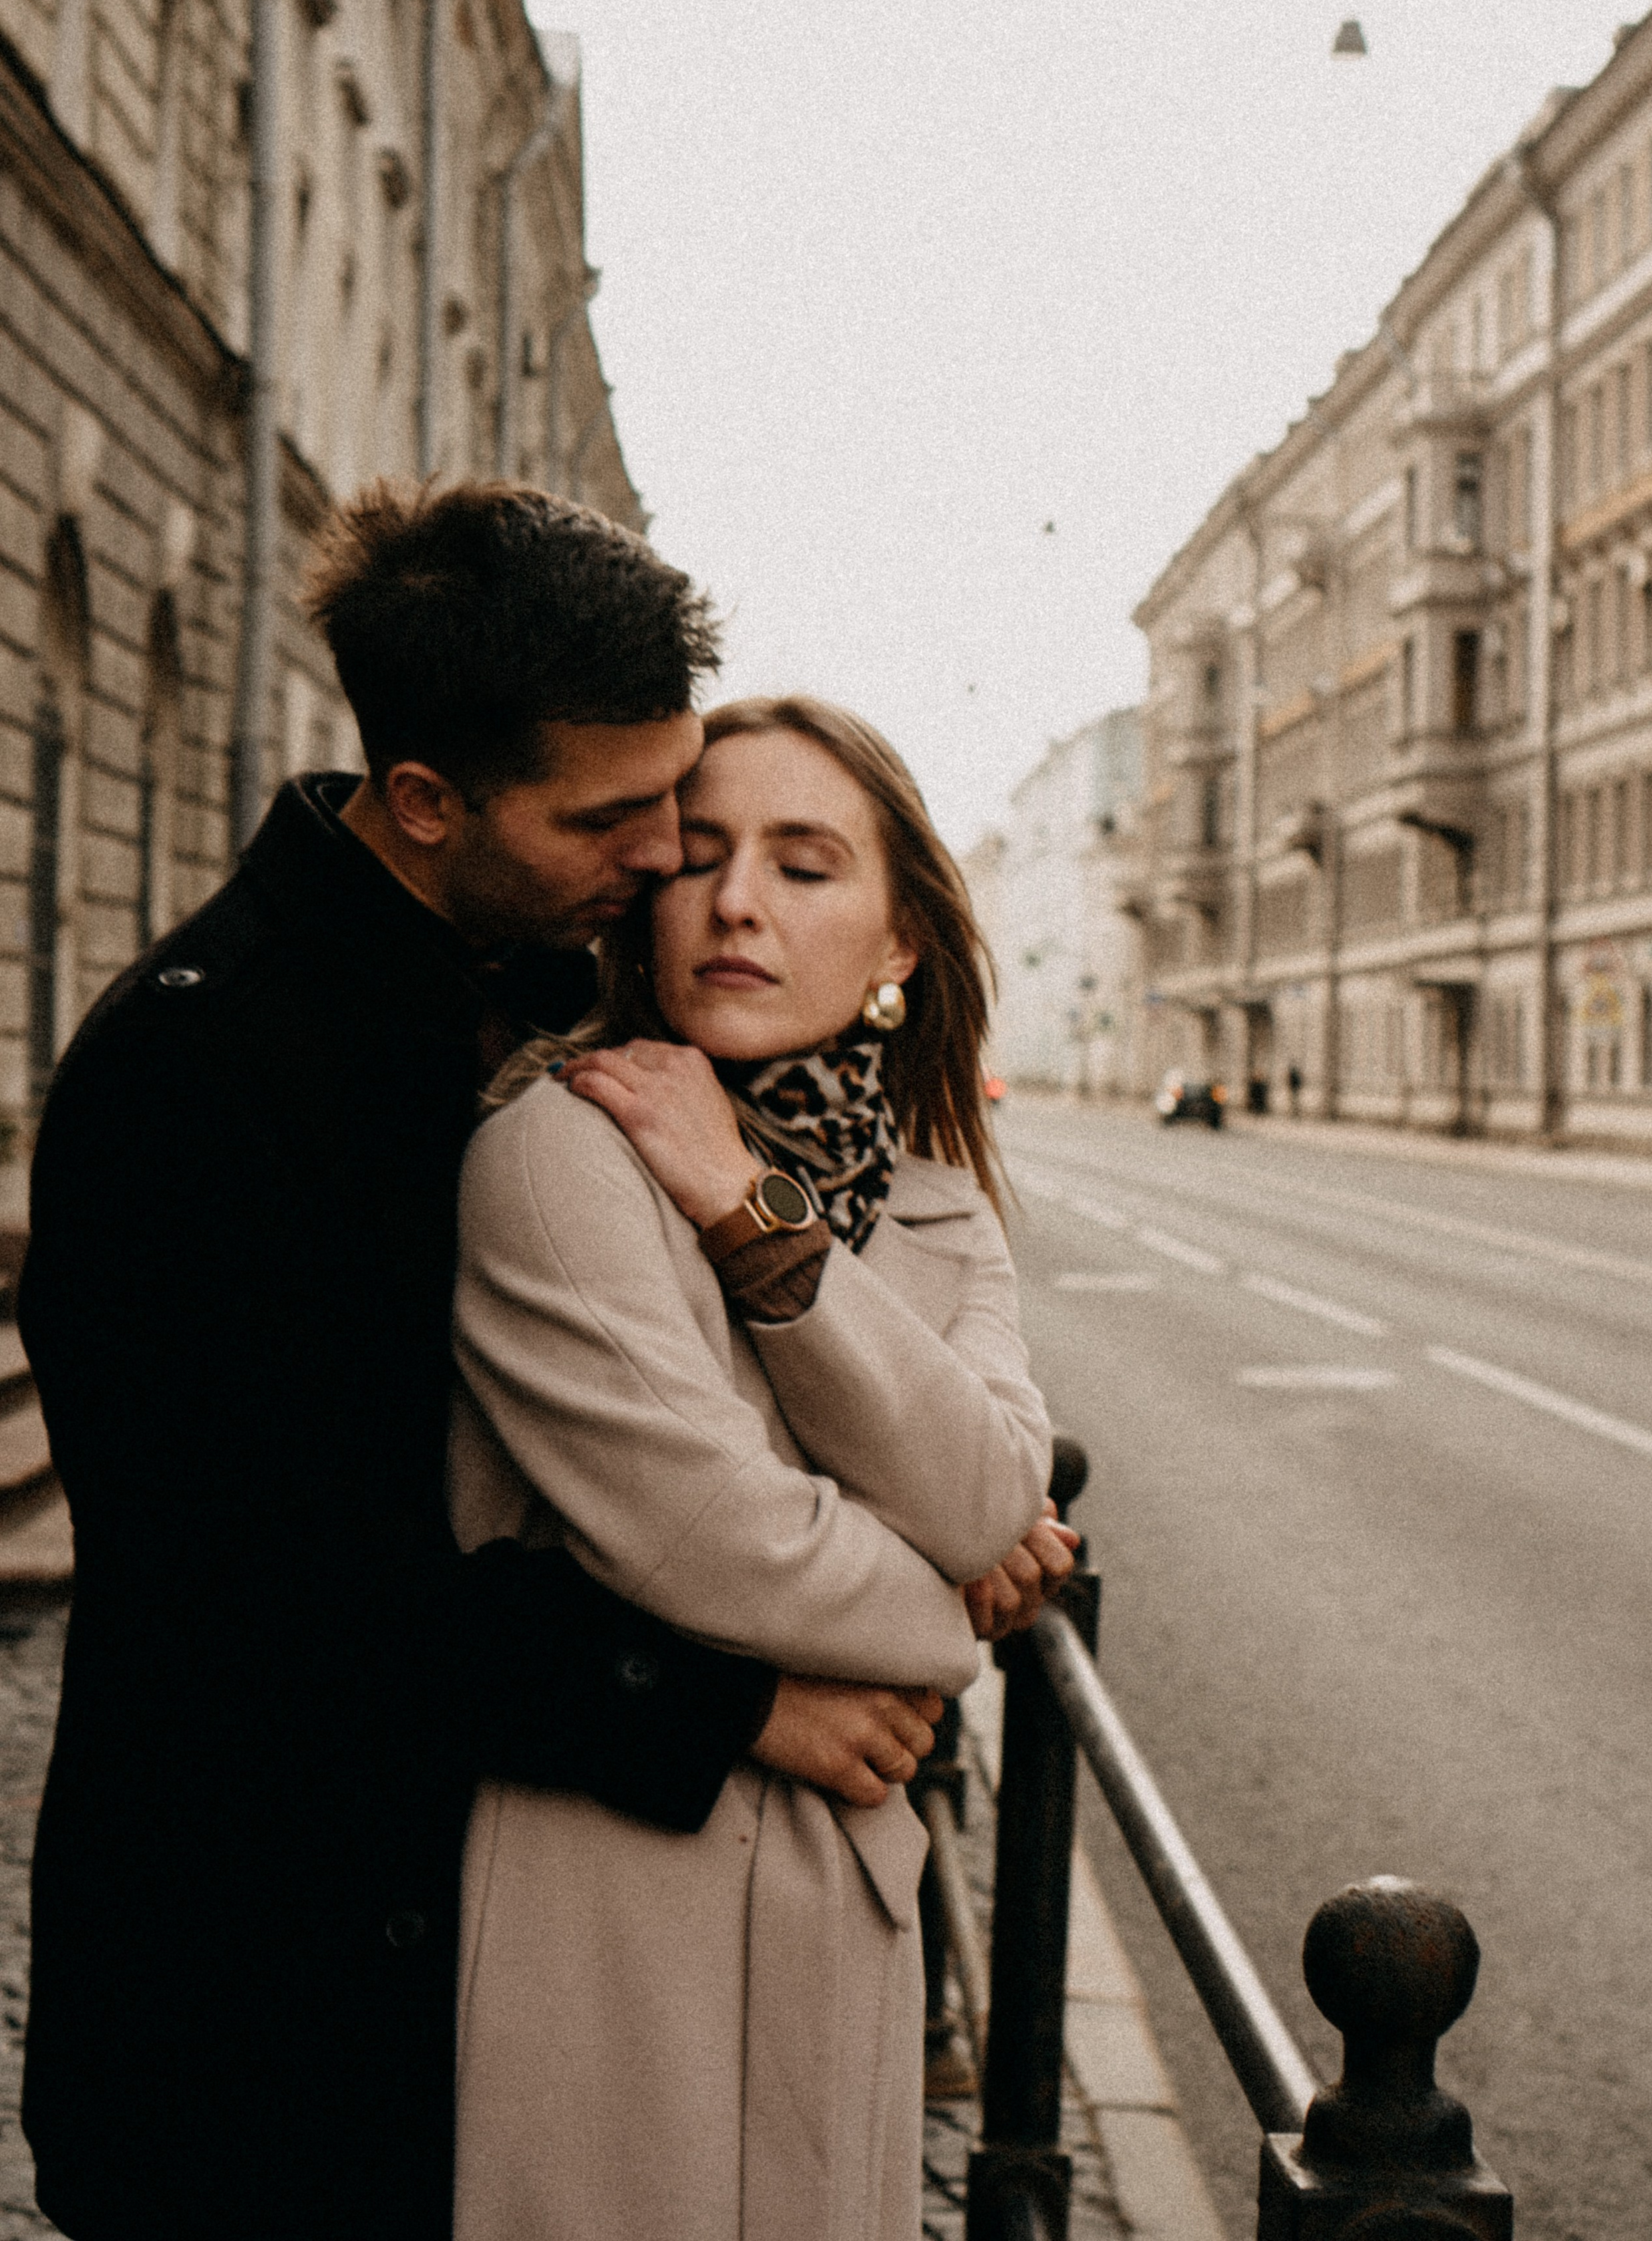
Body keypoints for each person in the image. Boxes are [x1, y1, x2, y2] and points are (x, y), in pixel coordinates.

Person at [19, 486, 945, 2241]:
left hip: (446, 1993)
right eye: (617, 812)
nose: (673, 851)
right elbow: (278, 1602)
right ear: (429, 804)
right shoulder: (198, 1081)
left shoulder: (518, 990)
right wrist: (742, 1704)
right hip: (252, 2024)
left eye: (679, 787)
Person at [448, 695, 1073, 2241]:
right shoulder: (554, 1149)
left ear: (898, 943)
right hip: (612, 1900)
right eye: (701, 856)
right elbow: (711, 1541)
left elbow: (995, 1494)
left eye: (804, 867)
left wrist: (748, 1206)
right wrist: (955, 1614)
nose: (736, 901)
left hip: (843, 1898)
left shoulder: (936, 1208)